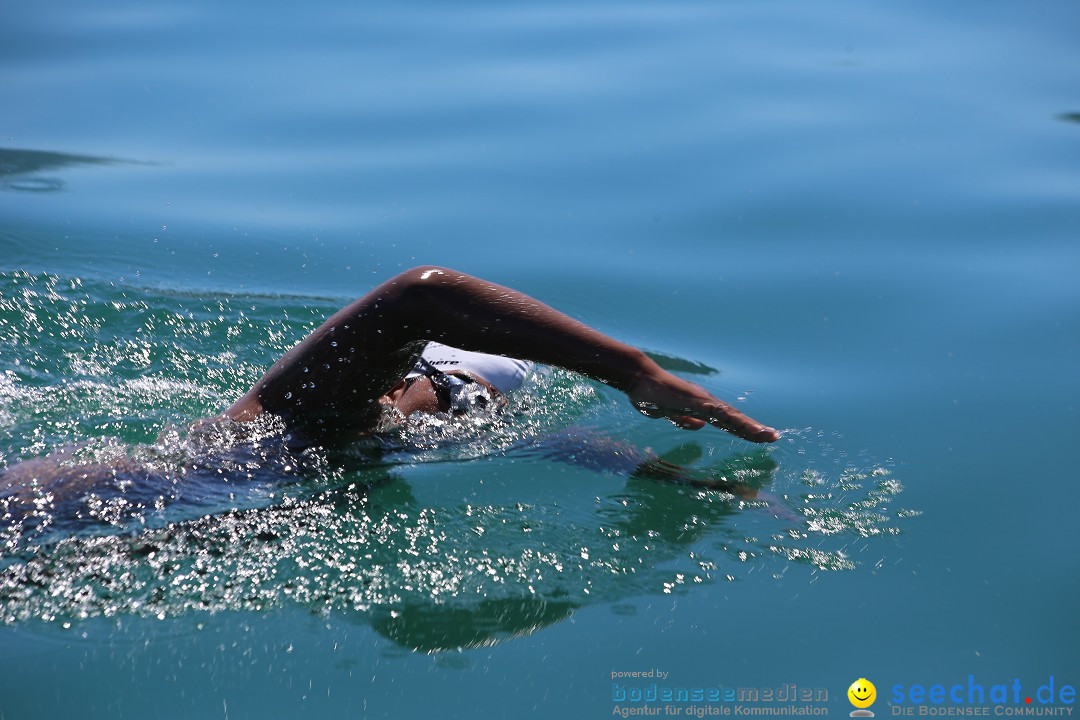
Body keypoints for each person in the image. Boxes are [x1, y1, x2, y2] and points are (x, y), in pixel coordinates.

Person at [223, 265, 780, 449]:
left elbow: (575, 448)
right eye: (450, 385)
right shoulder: (302, 412)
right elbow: (420, 293)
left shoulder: (366, 435)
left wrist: (728, 493)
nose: (445, 397)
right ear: (389, 376)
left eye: (468, 397)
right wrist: (637, 375)